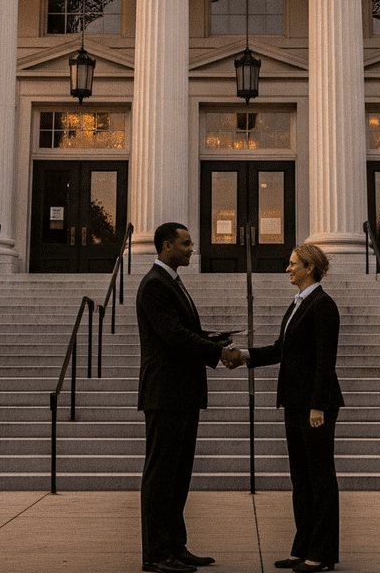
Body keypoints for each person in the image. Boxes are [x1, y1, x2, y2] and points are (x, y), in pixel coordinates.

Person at [137, 221, 241, 573]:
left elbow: (185, 332)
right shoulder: (154, 284)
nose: (191, 248)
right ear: (166, 246)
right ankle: (156, 553)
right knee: (161, 475)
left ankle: (176, 546)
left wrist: (215, 340)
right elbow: (173, 336)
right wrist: (217, 354)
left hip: (183, 392)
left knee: (178, 476)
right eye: (185, 244)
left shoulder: (171, 283)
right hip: (165, 393)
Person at [234, 242, 344, 573]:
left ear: (310, 268)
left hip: (314, 406)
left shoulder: (323, 305)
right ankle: (302, 547)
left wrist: (318, 406)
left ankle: (322, 552)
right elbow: (282, 349)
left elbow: (326, 361)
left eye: (294, 263)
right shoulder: (298, 304)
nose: (288, 268)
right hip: (295, 402)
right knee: (301, 477)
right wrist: (244, 357)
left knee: (320, 477)